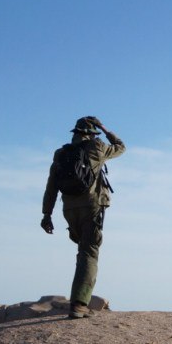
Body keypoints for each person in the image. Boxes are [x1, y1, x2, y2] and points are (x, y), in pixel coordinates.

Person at [41, 116, 126, 319]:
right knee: (89, 252)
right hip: (92, 207)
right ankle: (79, 304)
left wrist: (47, 214)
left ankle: (79, 297)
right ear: (92, 133)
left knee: (83, 251)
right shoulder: (97, 147)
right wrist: (104, 127)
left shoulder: (61, 154)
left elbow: (51, 186)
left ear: (75, 133)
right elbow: (121, 146)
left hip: (69, 210)